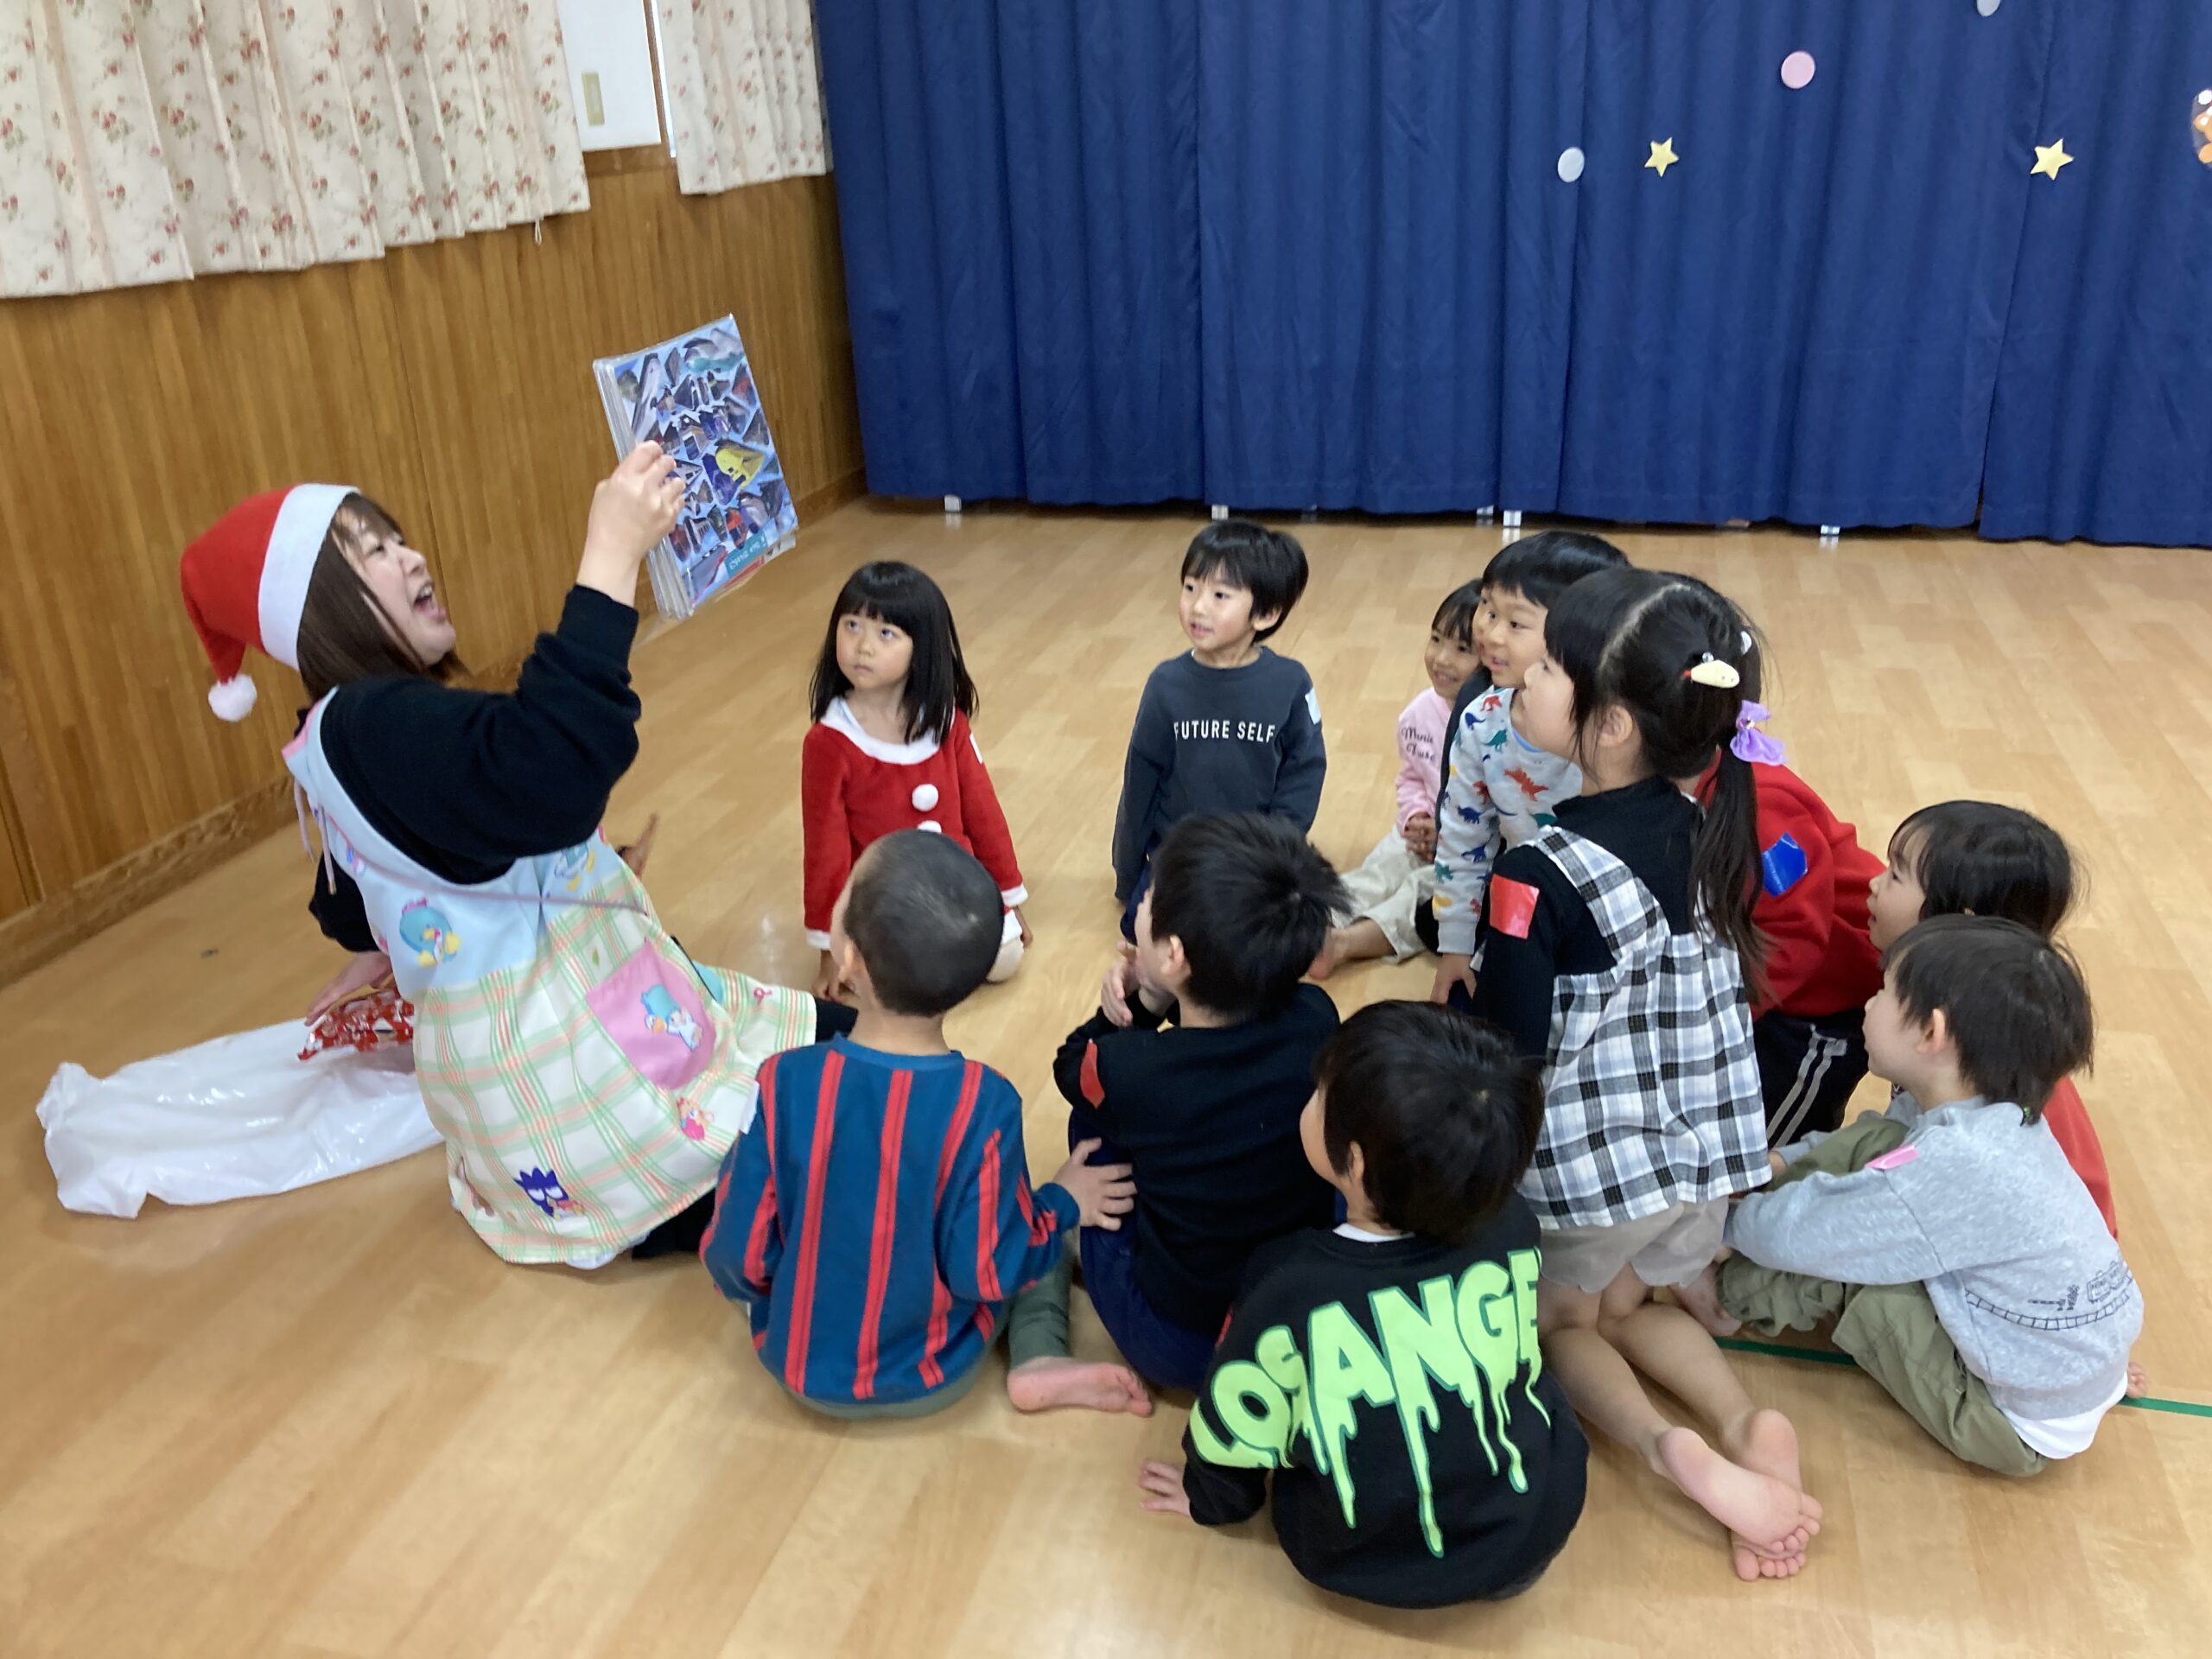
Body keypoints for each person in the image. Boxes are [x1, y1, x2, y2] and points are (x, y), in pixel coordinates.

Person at [178, 447, 826, 1268]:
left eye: (399, 539)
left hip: (561, 1066)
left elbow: (354, 886)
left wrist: (388, 944)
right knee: (858, 1117)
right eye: (374, 551)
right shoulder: (373, 722)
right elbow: (551, 772)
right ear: (322, 613)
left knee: (848, 1045)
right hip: (579, 1084)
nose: (412, 556)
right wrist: (610, 556)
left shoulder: (330, 734)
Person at [1467, 567, 1820, 1582]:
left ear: (1613, 724)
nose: (1522, 680)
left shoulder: (1536, 872)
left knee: (1565, 1324)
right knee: (1634, 1307)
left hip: (1592, 1170)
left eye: (1545, 669)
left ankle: (1675, 1454)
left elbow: (1509, 1049)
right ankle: (1742, 1418)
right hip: (1702, 1149)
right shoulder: (1719, 827)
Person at [1136, 1001, 1590, 1608]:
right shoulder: (1514, 1226)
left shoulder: (1286, 1284)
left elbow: (1238, 1418)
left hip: (1364, 1562)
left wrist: (1210, 1497)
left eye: (1319, 1096)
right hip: (1531, 1535)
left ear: (1353, 1162)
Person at [702, 830, 1151, 1419]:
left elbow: (737, 1251)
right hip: (934, 1374)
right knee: (1039, 1228)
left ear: (850, 959)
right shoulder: (985, 1105)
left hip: (795, 1364)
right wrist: (1065, 1201)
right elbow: (987, 1270)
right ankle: (1039, 1357)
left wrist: (770, 1294)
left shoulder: (780, 1081)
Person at [1700, 918, 2141, 1476]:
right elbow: (1872, 1148)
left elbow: (1820, 1234)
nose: (1868, 1002)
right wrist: (1777, 1168)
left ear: (1931, 1033)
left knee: (1856, 1263)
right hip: (2075, 1372)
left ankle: (1725, 1298)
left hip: (2006, 1421)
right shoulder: (1995, 1115)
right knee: (1882, 1146)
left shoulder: (1958, 1166)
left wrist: (1718, 1228)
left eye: (1883, 991)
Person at [1053, 814, 1345, 1392]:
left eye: (1148, 899)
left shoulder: (1131, 1070)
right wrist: (1167, 984)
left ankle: (1086, 1230)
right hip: (1295, 1329)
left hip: (1175, 1344)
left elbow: (1072, 1065)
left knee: (1088, 1117)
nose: (1140, 904)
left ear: (1174, 956)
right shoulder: (1319, 1016)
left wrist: (1144, 1003)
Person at [1862, 801, 2116, 1234]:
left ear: (1956, 921)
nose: (1874, 882)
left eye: (1896, 875)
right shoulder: (1964, 1011)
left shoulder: (1978, 1059)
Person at [803, 561, 1029, 998]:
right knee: (890, 979)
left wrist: (1007, 897)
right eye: (852, 626)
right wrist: (829, 948)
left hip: (958, 885)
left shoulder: (947, 722)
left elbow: (983, 813)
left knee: (1006, 959)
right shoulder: (828, 742)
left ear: (921, 648)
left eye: (885, 633)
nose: (863, 646)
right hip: (883, 899)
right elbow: (824, 850)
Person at [1429, 532, 1629, 1005]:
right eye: (1487, 608)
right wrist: (1455, 945)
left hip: (1613, 915)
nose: (1489, 633)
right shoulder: (1481, 719)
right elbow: (1462, 837)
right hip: (1524, 905)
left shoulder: (1615, 730)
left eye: (1516, 622)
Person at [1110, 521, 1323, 941]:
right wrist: (1129, 870)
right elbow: (1140, 782)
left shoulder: (1291, 683)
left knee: (1280, 927)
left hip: (1257, 857)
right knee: (1143, 929)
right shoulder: (1166, 684)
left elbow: (1304, 771)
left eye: (1220, 595)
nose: (1198, 607)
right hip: (1181, 858)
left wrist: (1277, 846)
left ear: (1266, 613)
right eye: (1191, 588)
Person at [1696, 679, 1885, 1147]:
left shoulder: (1761, 805)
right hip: (1762, 984)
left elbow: (1794, 934)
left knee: (1761, 1154)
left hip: (1819, 1012)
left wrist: (1722, 1020)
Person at [1313, 581, 1485, 975]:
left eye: (1463, 649)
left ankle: (1344, 944)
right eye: (1436, 640)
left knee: (1421, 894)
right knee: (1379, 872)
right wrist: (1416, 817)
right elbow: (1412, 777)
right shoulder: (1418, 715)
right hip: (1420, 835)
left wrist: (1449, 835)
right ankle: (1312, 920)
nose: (1442, 659)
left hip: (1469, 851)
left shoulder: (1494, 725)